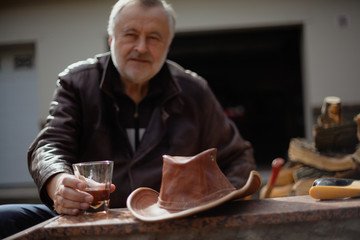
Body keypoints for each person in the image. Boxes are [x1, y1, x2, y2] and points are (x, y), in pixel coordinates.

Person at [0, 0, 256, 238]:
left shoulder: (194, 91)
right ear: (111, 38)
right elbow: (50, 145)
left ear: (168, 46)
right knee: (5, 218)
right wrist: (58, 184)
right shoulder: (77, 83)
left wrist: (210, 206)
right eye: (131, 34)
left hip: (169, 222)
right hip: (89, 217)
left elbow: (237, 158)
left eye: (154, 38)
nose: (141, 48)